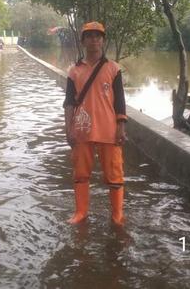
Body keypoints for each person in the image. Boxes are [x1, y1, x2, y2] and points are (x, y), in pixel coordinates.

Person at [63, 21, 128, 226]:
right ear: (83, 41)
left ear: (103, 40)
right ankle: (81, 212)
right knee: (81, 173)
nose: (94, 40)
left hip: (109, 130)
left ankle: (117, 215)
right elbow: (69, 102)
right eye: (89, 36)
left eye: (98, 36)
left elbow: (120, 101)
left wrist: (121, 126)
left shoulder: (113, 68)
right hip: (82, 130)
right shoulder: (73, 71)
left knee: (115, 175)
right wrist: (68, 129)